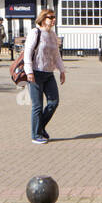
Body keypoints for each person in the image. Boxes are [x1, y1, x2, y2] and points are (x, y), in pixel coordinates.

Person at [24, 8, 66, 145]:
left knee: (54, 102)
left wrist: (62, 70)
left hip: (49, 73)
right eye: (50, 17)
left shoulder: (53, 35)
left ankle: (40, 127)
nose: (53, 19)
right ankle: (36, 134)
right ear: (43, 19)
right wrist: (29, 71)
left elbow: (56, 54)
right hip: (35, 72)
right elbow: (28, 52)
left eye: (54, 17)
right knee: (37, 105)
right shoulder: (35, 32)